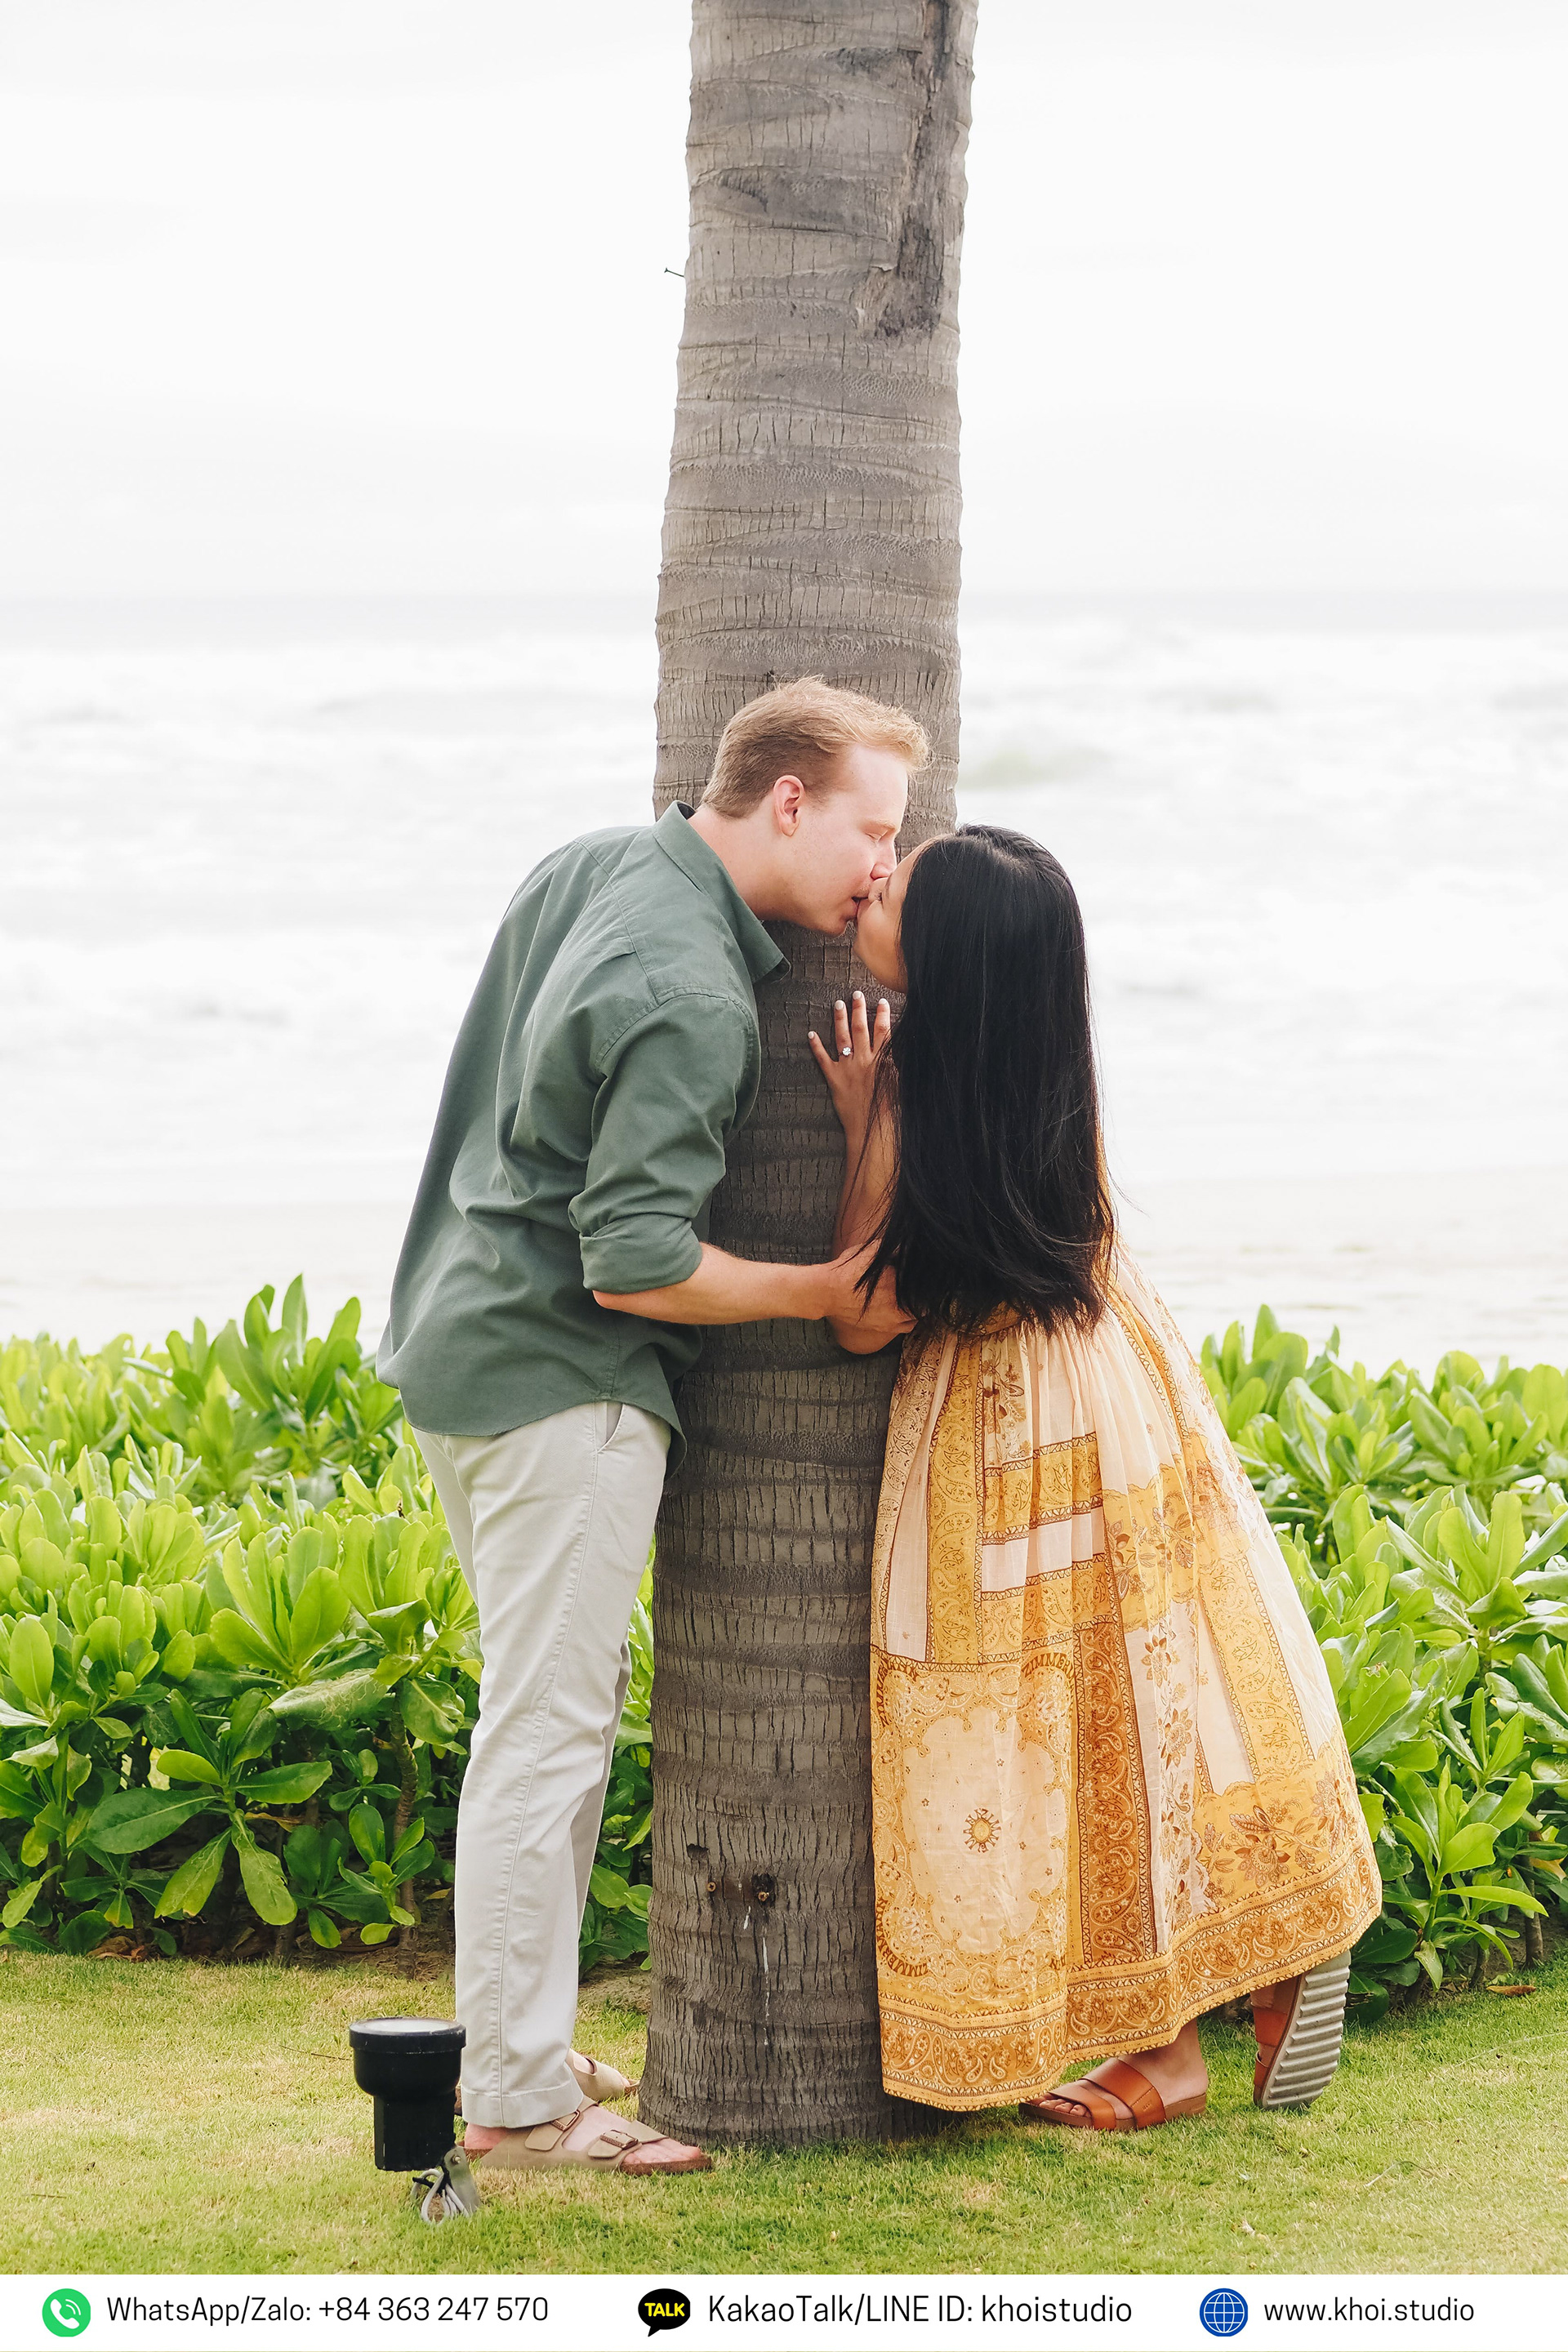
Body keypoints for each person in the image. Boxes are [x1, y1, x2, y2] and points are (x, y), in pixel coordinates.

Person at [377, 678, 920, 2175]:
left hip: (460, 1345)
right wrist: (819, 1287)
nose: (886, 865)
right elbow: (634, 1260)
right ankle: (517, 2103)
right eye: (875, 830)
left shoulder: (591, 865)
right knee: (547, 1737)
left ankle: (520, 2046)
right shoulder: (692, 990)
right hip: (562, 1381)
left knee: (540, 1722)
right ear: (790, 802)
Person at [807, 823, 1382, 2130]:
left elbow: (860, 1319)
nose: (877, 879)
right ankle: (1259, 1963)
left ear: (948, 956)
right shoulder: (1033, 1071)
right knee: (1146, 1696)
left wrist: (862, 1122)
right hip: (1120, 1377)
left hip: (1009, 1428)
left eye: (903, 886)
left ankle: (1171, 2046)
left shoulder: (927, 1095)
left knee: (1035, 1724)